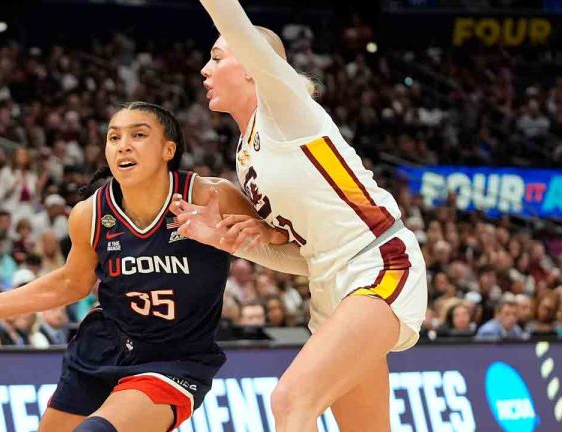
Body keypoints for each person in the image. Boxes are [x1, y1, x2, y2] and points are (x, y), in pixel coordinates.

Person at [0, 102, 302, 432]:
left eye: (138, 134)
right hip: (102, 348)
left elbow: (287, 242)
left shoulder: (209, 196)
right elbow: (69, 283)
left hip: (174, 359)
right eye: (114, 136)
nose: (123, 145)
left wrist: (267, 235)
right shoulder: (90, 213)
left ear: (169, 149)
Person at [169, 2, 427, 430]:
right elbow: (302, 259)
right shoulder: (246, 156)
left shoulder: (285, 108)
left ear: (253, 67)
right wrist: (228, 241)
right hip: (329, 287)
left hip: (378, 262)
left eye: (217, 57)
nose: (204, 70)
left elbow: (236, 24)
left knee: (289, 402)